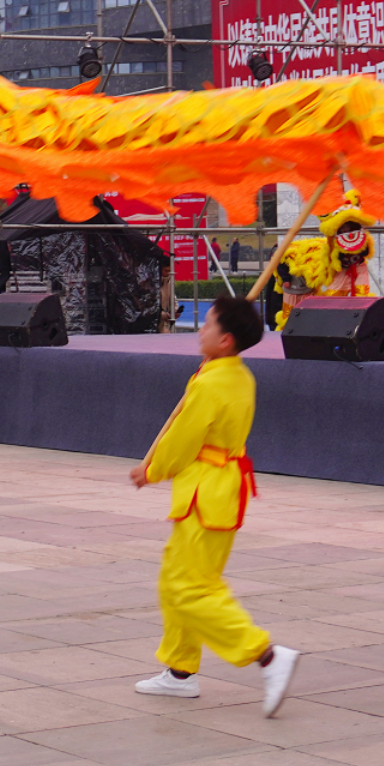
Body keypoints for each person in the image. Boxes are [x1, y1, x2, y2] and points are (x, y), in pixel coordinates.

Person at [130, 296, 300, 716]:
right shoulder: (236, 375)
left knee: (191, 587)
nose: (200, 330)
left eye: (207, 325)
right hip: (218, 490)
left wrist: (152, 470)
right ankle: (179, 672)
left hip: (206, 492)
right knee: (178, 579)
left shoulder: (211, 382)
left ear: (225, 340)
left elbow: (184, 439)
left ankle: (265, 654)